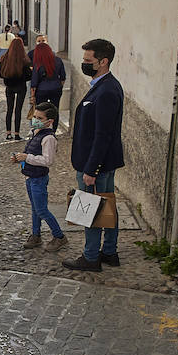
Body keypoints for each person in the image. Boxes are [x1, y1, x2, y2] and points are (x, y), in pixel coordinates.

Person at [63, 38, 126, 272]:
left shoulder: (107, 91)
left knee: (91, 209)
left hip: (97, 164)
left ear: (103, 61)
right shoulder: (103, 85)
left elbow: (103, 135)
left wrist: (91, 169)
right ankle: (109, 252)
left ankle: (91, 257)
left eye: (88, 61)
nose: (84, 64)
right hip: (102, 162)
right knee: (107, 205)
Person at [11, 102, 67, 252]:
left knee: (41, 210)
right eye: (34, 116)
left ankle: (59, 236)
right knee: (35, 209)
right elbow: (30, 154)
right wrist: (20, 158)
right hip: (30, 177)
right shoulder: (34, 132)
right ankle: (36, 235)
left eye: (39, 118)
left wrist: (27, 157)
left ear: (49, 121)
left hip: (39, 179)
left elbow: (48, 161)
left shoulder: (48, 138)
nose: (35, 120)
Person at [0, 37, 32, 141]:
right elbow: (28, 76)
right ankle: (17, 134)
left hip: (9, 87)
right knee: (18, 110)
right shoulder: (24, 60)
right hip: (21, 86)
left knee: (9, 110)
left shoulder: (4, 58)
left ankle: (8, 133)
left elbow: (1, 74)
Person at [30, 38, 67, 109]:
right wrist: (59, 86)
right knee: (55, 110)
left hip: (42, 89)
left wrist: (32, 96)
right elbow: (63, 77)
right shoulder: (58, 60)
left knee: (41, 110)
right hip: (56, 88)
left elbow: (34, 82)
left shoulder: (38, 64)